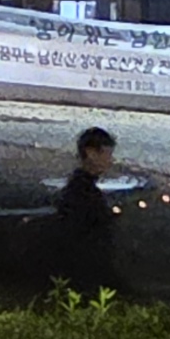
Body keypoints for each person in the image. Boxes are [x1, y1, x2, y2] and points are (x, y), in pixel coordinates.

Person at [51, 125, 120, 293]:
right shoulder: (84, 193)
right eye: (107, 154)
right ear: (91, 153)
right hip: (85, 269)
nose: (111, 161)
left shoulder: (78, 189)